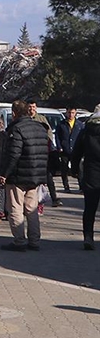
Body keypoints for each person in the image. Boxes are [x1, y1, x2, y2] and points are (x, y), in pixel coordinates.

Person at [0, 100, 48, 251]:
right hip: (35, 174)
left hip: (18, 175)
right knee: (32, 209)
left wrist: (4, 174)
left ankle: (19, 241)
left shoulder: (17, 129)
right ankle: (34, 241)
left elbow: (13, 154)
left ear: (14, 113)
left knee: (15, 208)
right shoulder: (40, 127)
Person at [71, 105, 99, 250]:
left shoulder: (86, 131)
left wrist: (75, 170)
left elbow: (76, 153)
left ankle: (88, 236)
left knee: (90, 208)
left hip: (91, 173)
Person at [28, 99, 61, 206]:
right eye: (30, 107)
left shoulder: (41, 119)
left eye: (33, 107)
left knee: (48, 178)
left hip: (43, 154)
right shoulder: (25, 119)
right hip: (30, 154)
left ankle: (54, 198)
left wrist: (47, 144)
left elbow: (49, 133)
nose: (31, 109)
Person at [56, 106, 84, 193]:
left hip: (76, 151)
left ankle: (81, 187)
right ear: (66, 113)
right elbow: (57, 137)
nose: (70, 115)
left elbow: (83, 137)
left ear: (75, 113)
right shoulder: (61, 124)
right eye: (69, 113)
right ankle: (66, 186)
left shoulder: (80, 125)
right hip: (65, 150)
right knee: (64, 169)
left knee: (79, 169)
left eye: (72, 113)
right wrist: (59, 147)